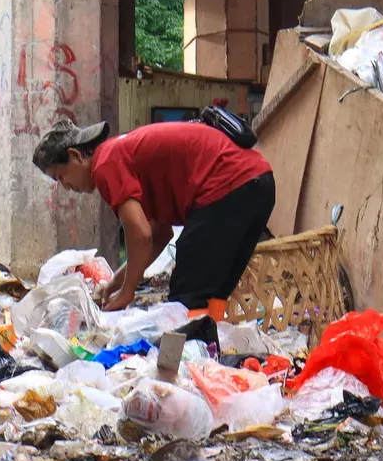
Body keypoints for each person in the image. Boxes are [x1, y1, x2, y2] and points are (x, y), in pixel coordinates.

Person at [33, 118, 275, 320]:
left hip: (227, 187)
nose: (65, 186)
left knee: (186, 297)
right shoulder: (124, 154)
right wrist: (115, 284)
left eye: (60, 176)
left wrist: (128, 293)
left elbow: (140, 234)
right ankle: (206, 350)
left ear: (75, 156)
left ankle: (192, 355)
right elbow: (159, 235)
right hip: (258, 184)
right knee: (214, 291)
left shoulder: (105, 164)